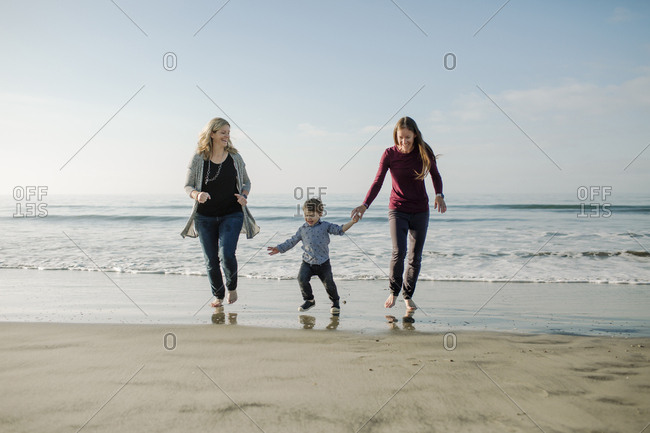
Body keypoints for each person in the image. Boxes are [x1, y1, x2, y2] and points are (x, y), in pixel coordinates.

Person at [351, 116, 446, 312]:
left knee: (415, 257)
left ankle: (408, 296)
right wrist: (364, 205)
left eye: (408, 137)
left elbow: (435, 175)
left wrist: (439, 195)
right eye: (400, 137)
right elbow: (377, 182)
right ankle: (394, 292)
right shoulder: (389, 154)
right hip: (397, 209)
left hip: (420, 210)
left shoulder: (424, 151)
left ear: (415, 135)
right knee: (399, 252)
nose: (404, 142)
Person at [181, 117, 260, 308]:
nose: (227, 136)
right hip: (204, 216)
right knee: (211, 259)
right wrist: (196, 194)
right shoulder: (199, 158)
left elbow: (247, 182)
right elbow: (187, 186)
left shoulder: (235, 158)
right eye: (223, 132)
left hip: (232, 213)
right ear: (212, 134)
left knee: (227, 254)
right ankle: (218, 295)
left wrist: (244, 195)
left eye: (228, 132)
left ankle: (232, 287)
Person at [268, 198, 358, 314]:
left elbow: (340, 230)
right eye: (306, 215)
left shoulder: (325, 226)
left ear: (320, 214)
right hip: (307, 262)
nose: (308, 218)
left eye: (311, 215)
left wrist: (352, 222)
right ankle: (309, 300)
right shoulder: (302, 229)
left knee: (329, 284)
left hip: (323, 263)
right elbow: (292, 241)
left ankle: (335, 302)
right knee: (301, 279)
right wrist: (279, 248)